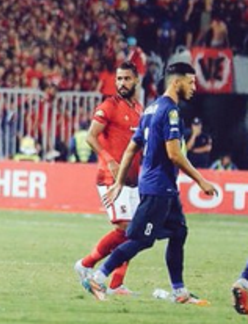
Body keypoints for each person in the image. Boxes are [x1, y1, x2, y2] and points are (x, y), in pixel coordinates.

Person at [82, 62, 217, 304]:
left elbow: (131, 148)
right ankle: (98, 277)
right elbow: (174, 154)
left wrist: (120, 182)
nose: (194, 87)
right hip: (158, 188)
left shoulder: (150, 109)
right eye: (191, 82)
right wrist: (201, 180)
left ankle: (179, 292)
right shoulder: (170, 112)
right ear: (177, 82)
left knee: (179, 232)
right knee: (140, 238)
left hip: (162, 187)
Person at [73, 61, 143, 295]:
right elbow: (91, 136)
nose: (122, 83)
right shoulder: (109, 106)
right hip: (110, 178)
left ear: (136, 80)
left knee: (135, 232)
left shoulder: (139, 109)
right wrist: (110, 160)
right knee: (125, 228)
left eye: (127, 78)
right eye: (119, 78)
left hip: (133, 179)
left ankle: (116, 284)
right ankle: (86, 265)